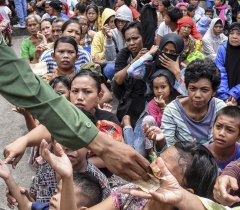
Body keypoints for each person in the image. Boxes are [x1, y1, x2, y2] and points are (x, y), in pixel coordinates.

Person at [0, 41, 150, 182]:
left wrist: (81, 160)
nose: (79, 97)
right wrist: (24, 140)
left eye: (87, 92)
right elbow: (48, 127)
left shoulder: (106, 120)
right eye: (75, 91)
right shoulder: (64, 115)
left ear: (99, 96)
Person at [43, 141, 218, 210]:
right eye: (157, 160)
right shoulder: (132, 195)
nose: (152, 168)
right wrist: (67, 178)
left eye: (165, 171)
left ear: (186, 193)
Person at [0, 156, 103, 210]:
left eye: (64, 198)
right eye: (56, 192)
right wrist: (8, 177)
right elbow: (25, 206)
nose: (55, 197)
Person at [161, 59, 226, 145]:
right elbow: (167, 148)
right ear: (187, 88)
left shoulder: (220, 108)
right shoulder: (172, 111)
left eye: (204, 90)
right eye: (193, 89)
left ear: (213, 92)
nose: (197, 95)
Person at [113, 21, 148, 127]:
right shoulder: (124, 54)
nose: (132, 43)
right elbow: (118, 79)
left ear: (142, 37)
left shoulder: (151, 51)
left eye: (135, 38)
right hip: (128, 95)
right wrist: (136, 60)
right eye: (128, 40)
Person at [205, 106, 240, 170]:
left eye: (229, 130)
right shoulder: (201, 153)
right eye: (218, 126)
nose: (221, 133)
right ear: (212, 128)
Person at [103, 5, 133, 81]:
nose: (120, 24)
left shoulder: (135, 32)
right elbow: (110, 58)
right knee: (109, 68)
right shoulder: (112, 33)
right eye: (118, 21)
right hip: (118, 65)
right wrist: (109, 39)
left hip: (134, 63)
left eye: (123, 21)